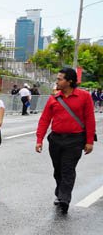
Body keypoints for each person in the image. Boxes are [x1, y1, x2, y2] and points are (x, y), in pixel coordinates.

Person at [35, 68, 96, 215]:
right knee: (58, 170)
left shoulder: (84, 96)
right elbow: (44, 119)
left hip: (75, 140)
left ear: (70, 81)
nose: (57, 81)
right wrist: (39, 139)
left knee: (68, 169)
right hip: (56, 139)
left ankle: (64, 199)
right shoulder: (54, 98)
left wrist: (89, 141)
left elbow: (90, 119)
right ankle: (60, 192)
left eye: (60, 79)